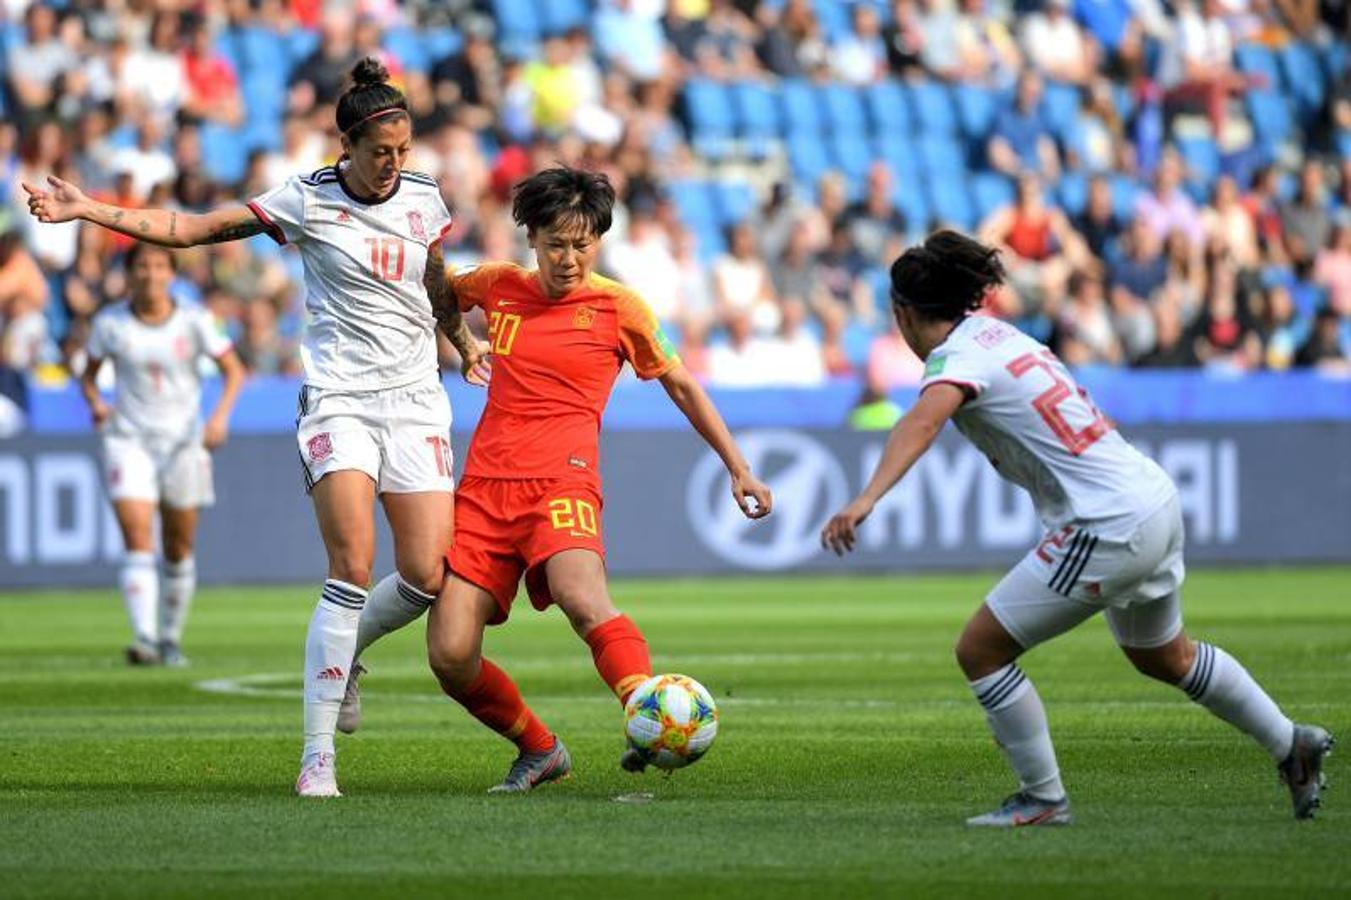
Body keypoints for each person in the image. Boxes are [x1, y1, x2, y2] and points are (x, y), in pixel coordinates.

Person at [24, 58, 486, 798]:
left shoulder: (424, 197)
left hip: (416, 401)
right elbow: (188, 229)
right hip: (339, 399)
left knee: (430, 575)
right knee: (352, 566)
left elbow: (432, 275)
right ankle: (316, 757)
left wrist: (462, 343)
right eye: (381, 154)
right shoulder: (305, 199)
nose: (394, 165)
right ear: (348, 147)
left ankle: (348, 654)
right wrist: (90, 210)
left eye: (403, 152)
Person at [821, 230, 1332, 826]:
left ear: (902, 314)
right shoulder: (1003, 337)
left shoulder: (956, 359)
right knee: (1166, 656)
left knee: (981, 651)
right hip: (1151, 497)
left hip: (1105, 523)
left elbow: (921, 423)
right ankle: (1290, 744)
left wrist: (865, 499)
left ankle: (1043, 798)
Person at [350, 166, 773, 792]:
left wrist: (738, 467)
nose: (569, 258)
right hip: (486, 491)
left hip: (563, 485)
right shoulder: (499, 285)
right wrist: (461, 340)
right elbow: (434, 284)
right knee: (449, 655)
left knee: (582, 596)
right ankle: (540, 749)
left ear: (597, 242)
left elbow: (681, 384)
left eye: (582, 244)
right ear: (532, 238)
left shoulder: (618, 307)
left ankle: (642, 713)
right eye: (556, 244)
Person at [79, 242, 245, 666]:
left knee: (177, 545)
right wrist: (97, 402)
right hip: (128, 439)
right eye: (142, 267)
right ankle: (145, 638)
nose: (151, 275)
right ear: (129, 273)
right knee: (137, 536)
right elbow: (89, 376)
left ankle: (170, 636)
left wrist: (219, 419)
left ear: (171, 274)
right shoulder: (110, 323)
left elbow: (233, 372)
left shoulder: (195, 321)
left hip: (183, 442)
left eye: (158, 266)